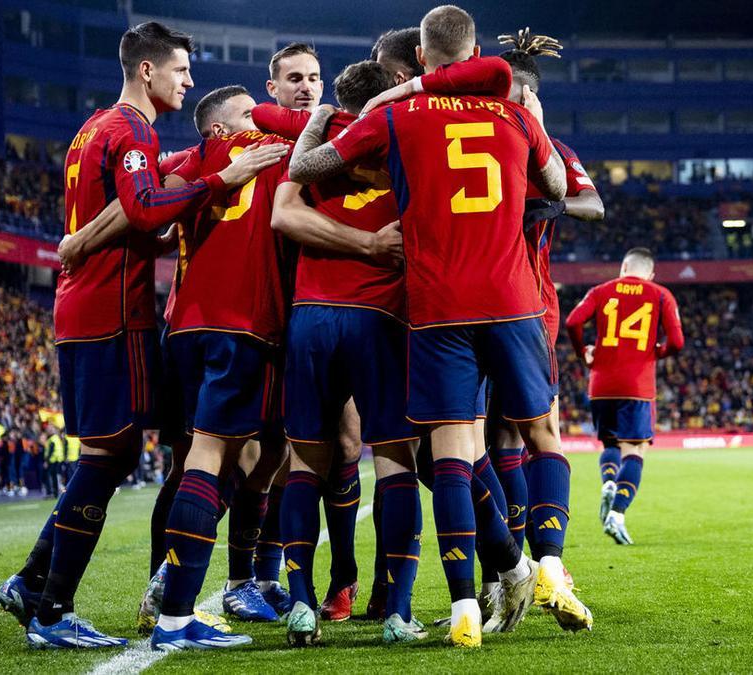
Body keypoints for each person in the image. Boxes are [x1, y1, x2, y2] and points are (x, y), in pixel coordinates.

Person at [289, 5, 588, 646]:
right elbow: (562, 186)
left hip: (437, 306)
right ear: (474, 52)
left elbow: (303, 171)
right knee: (541, 435)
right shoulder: (513, 113)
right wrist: (532, 131)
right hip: (513, 299)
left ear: (421, 60)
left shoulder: (394, 116)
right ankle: (549, 567)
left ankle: (462, 613)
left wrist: (323, 119)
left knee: (451, 456)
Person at [0, 21, 264, 650]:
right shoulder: (131, 130)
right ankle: (52, 609)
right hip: (109, 312)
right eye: (180, 70)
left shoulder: (95, 127)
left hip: (85, 306)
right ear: (148, 70)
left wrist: (97, 237)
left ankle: (35, 583)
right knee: (108, 455)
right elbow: (143, 206)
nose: (189, 80)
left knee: (110, 456)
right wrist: (222, 180)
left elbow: (128, 213)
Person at [270, 59, 426, 645]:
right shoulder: (407, 140)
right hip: (379, 321)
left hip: (309, 320)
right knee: (394, 461)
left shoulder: (318, 147)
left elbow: (284, 213)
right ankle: (396, 612)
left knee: (306, 463)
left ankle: (303, 604)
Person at [147, 85, 294, 651]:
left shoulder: (196, 160)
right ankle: (179, 615)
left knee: (203, 460)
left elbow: (156, 184)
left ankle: (176, 584)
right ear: (219, 127)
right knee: (215, 461)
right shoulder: (274, 147)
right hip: (241, 324)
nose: (259, 115)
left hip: (184, 326)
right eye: (247, 111)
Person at [564, 247, 685, 544]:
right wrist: (658, 351)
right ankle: (617, 513)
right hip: (637, 385)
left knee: (610, 443)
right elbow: (678, 342)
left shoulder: (601, 290)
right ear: (650, 273)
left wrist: (583, 352)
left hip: (601, 383)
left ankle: (608, 481)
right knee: (635, 449)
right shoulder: (660, 294)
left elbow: (572, 322)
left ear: (624, 267)